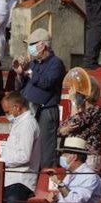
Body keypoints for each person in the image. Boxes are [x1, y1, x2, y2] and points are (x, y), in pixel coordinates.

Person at [14, 28, 66, 170]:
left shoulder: (56, 63)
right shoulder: (33, 64)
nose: (29, 48)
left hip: (46, 110)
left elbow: (47, 82)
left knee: (45, 149)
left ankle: (46, 180)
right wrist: (20, 74)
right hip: (29, 109)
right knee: (28, 146)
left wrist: (29, 72)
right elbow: (19, 88)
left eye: (32, 44)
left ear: (42, 45)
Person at [0, 90, 39, 203]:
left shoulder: (27, 124)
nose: (7, 115)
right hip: (10, 180)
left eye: (8, 111)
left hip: (20, 181)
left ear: (17, 107)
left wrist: (1, 160)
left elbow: (24, 156)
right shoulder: (19, 123)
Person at [49, 136, 101, 203]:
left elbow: (75, 201)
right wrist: (56, 197)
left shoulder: (89, 176)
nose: (61, 157)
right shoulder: (69, 174)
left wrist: (59, 184)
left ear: (74, 157)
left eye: (64, 154)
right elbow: (66, 196)